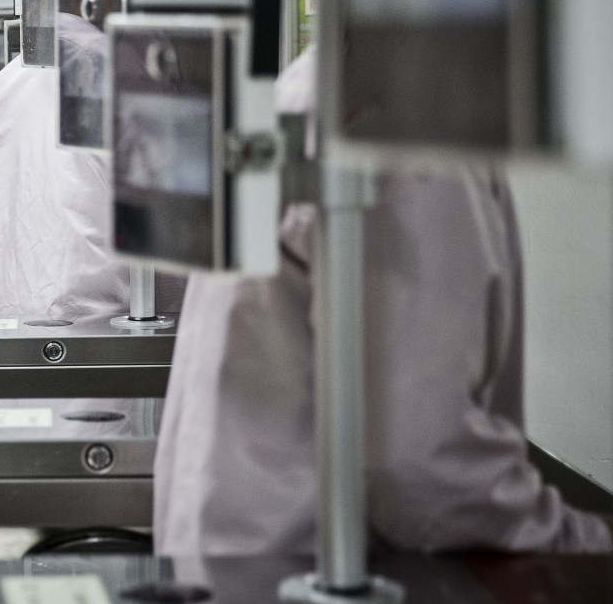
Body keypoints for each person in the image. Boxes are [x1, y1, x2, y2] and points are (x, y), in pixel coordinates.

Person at [153, 44, 612, 555]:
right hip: (299, 571)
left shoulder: (322, 81)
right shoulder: (411, 126)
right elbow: (425, 477)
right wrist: (585, 547)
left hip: (236, 552)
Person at [0, 10, 183, 323]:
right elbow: (165, 234)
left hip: (0, 309)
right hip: (88, 320)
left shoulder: (12, 75)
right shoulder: (113, 71)